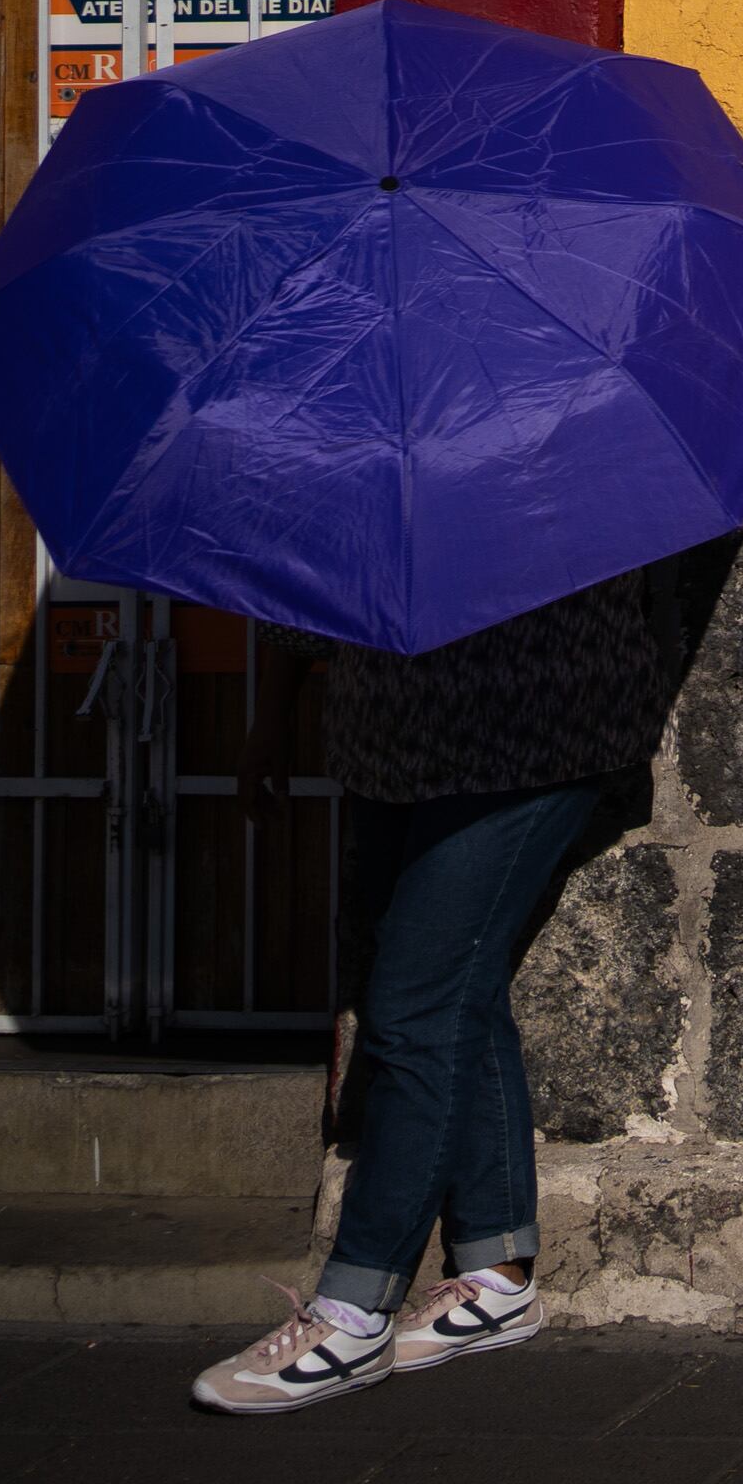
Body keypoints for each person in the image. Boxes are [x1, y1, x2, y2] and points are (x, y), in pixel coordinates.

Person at [188, 571, 671, 1415]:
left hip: (533, 732)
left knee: (414, 1007)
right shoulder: (363, 435)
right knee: (456, 990)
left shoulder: (543, 440)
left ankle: (354, 1309)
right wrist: (271, 718)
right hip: (396, 742)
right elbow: (310, 582)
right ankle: (497, 1271)